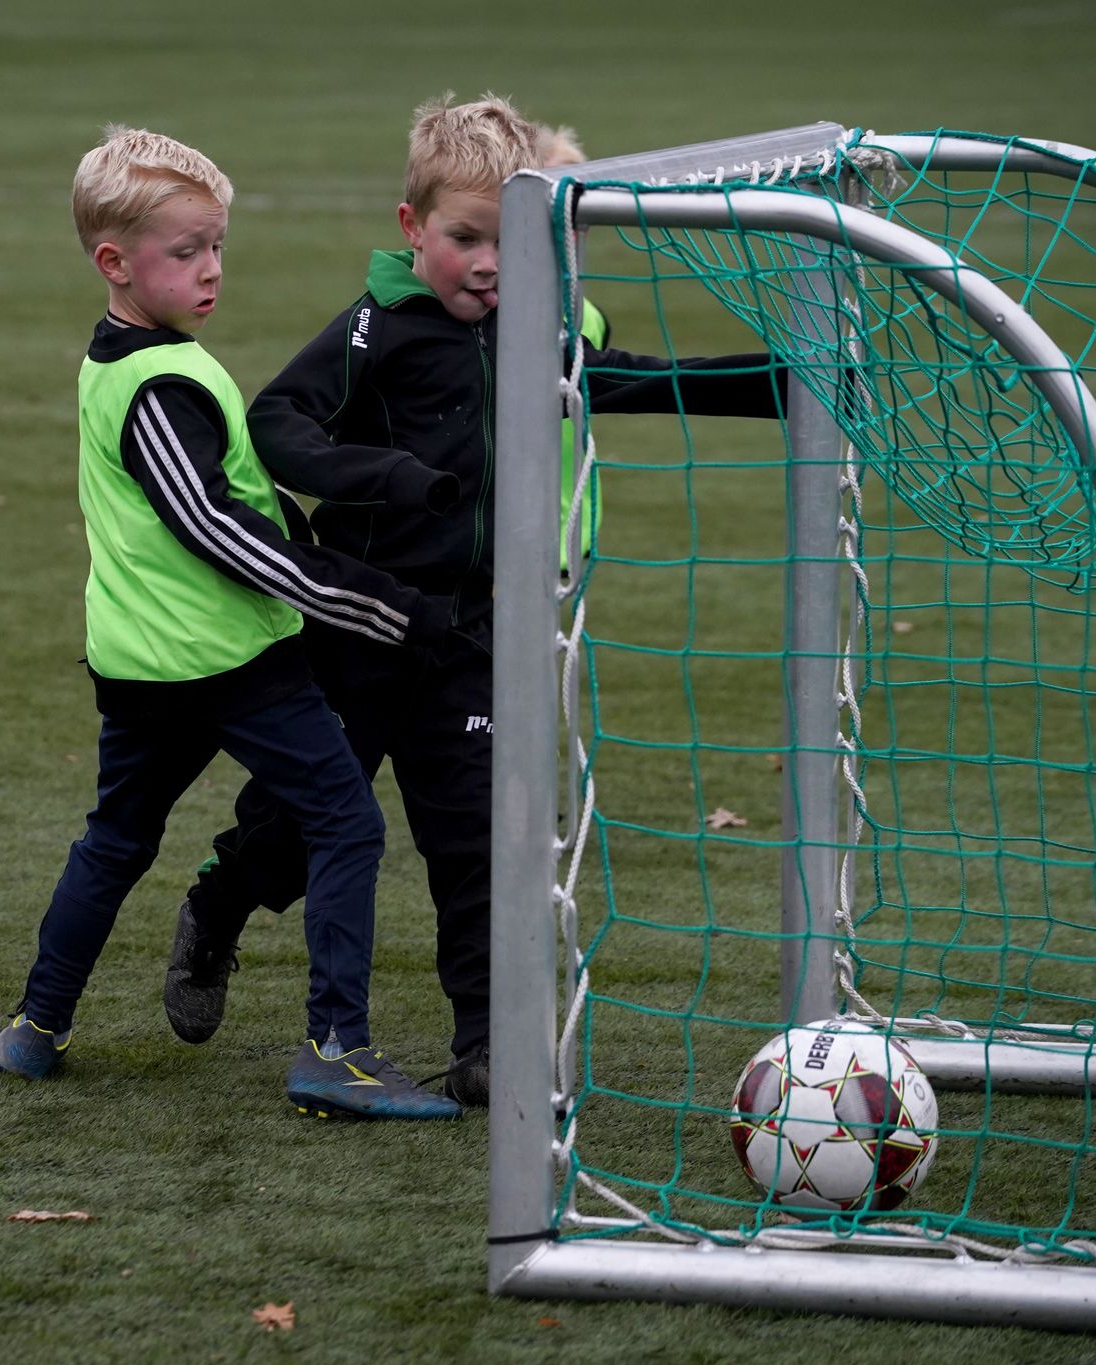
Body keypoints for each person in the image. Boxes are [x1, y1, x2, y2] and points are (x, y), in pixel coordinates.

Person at [162, 94, 785, 1104]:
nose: (489, 263)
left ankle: (483, 1042)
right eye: (464, 239)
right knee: (296, 821)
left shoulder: (535, 327)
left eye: (511, 241)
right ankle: (220, 903)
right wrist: (386, 476)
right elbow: (277, 418)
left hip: (474, 634)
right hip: (361, 624)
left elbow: (626, 379)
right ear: (413, 230)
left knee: (474, 840)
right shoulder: (377, 327)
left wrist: (772, 382)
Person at [0, 126, 462, 1120]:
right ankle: (333, 1052)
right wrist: (379, 608)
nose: (209, 270)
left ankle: (37, 1027)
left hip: (143, 662)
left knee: (115, 839)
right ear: (112, 262)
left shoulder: (136, 357)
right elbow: (214, 529)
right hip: (221, 665)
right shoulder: (157, 385)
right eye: (184, 252)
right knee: (343, 824)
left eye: (216, 246)